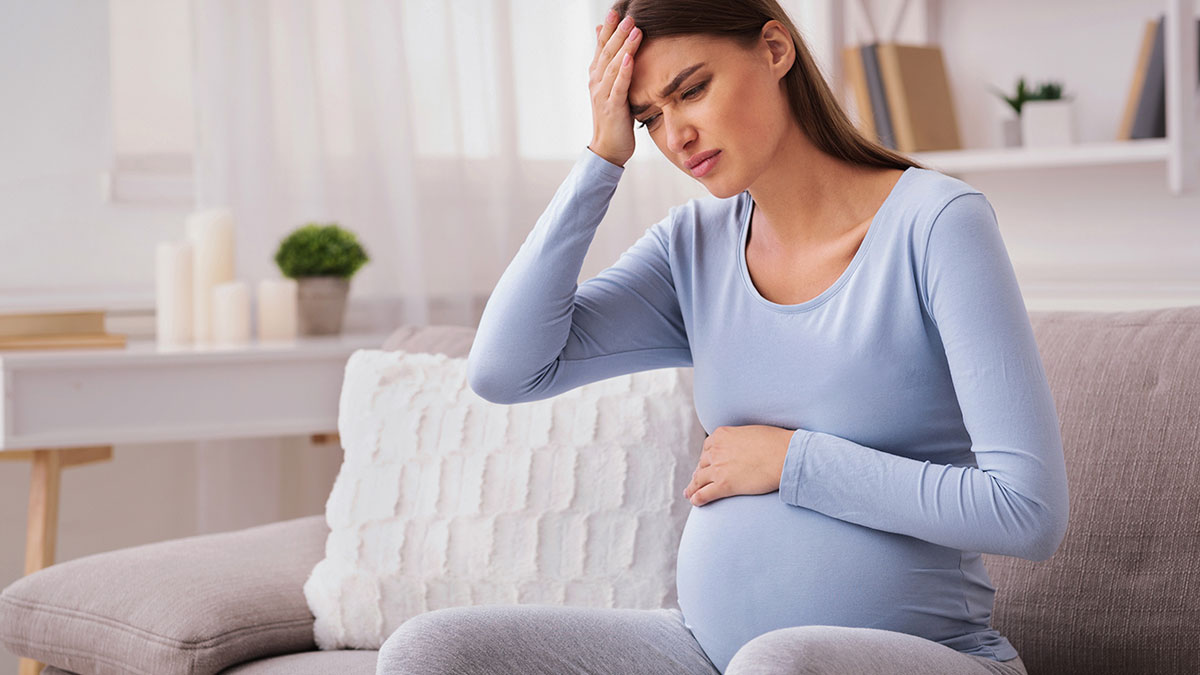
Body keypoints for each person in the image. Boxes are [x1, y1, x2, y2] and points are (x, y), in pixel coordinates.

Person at [376, 0, 1069, 673]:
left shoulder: (938, 223)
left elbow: (1028, 512)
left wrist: (794, 461)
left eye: (693, 90)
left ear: (774, 50)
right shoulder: (691, 248)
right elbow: (505, 368)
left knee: (778, 662)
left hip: (925, 657)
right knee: (431, 650)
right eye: (649, 117)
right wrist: (602, 158)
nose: (675, 135)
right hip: (709, 650)